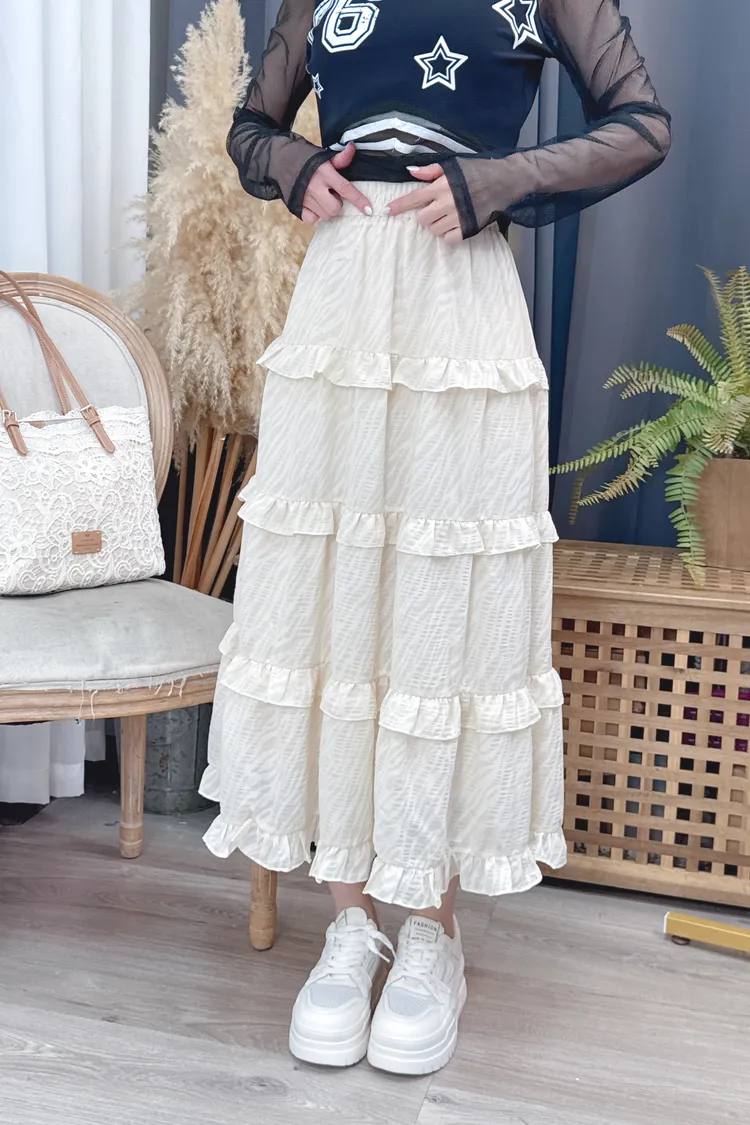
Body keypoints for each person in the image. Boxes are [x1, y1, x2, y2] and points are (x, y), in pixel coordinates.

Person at [201, 0, 670, 1075]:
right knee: (331, 606)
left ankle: (430, 935)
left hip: (459, 303)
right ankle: (349, 926)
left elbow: (644, 125)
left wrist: (495, 182)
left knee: (438, 614)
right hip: (340, 307)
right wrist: (292, 164)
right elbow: (249, 127)